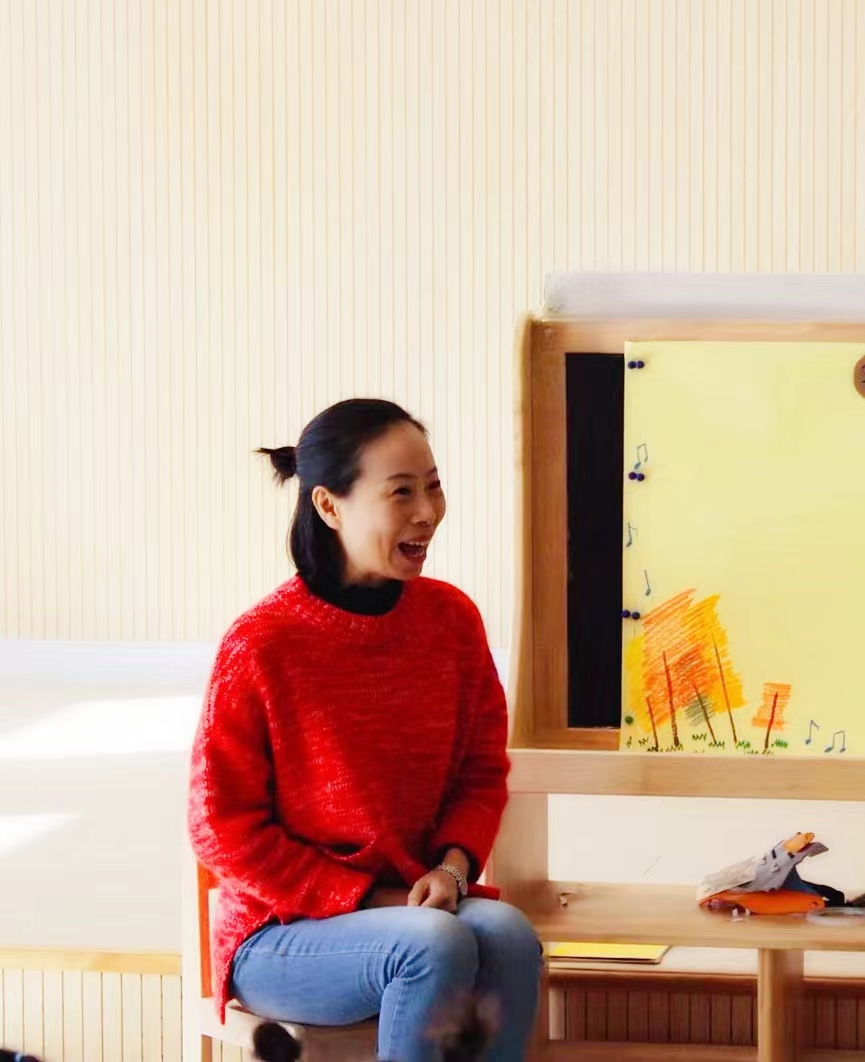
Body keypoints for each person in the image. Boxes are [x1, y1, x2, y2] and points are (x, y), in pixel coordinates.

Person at [188, 399, 540, 1062]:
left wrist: (452, 867)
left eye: (433, 486)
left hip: (416, 907)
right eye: (401, 492)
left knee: (507, 935)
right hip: (280, 933)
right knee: (431, 944)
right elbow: (220, 829)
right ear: (329, 505)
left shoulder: (451, 621)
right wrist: (370, 897)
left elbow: (480, 772)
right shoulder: (261, 644)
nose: (427, 512)